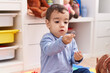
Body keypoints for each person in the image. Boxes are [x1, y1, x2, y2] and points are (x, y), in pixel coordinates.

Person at [40, 4, 90, 73]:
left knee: (85, 71)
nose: (62, 25)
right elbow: (49, 50)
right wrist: (62, 42)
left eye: (65, 22)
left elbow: (73, 60)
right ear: (48, 23)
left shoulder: (71, 40)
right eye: (57, 22)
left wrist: (77, 58)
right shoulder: (46, 38)